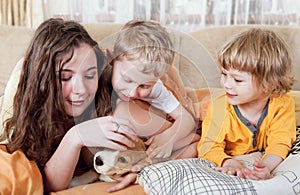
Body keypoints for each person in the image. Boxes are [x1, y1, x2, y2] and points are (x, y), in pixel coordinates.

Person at [0, 18, 140, 193]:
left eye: (89, 76)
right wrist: (75, 137)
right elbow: (46, 183)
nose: (80, 90)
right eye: (65, 77)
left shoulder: (108, 82)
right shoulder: (23, 105)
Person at [197, 28, 296, 180]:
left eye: (237, 80)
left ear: (269, 84)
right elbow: (208, 146)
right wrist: (229, 162)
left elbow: (280, 141)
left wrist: (265, 167)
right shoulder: (219, 107)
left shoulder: (282, 103)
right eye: (224, 74)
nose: (227, 84)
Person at [109, 20, 199, 159]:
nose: (132, 92)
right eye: (127, 80)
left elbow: (186, 118)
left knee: (122, 111)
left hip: (159, 128)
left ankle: (189, 143)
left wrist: (169, 138)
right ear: (112, 60)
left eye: (145, 86)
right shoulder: (101, 70)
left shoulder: (157, 88)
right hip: (135, 131)